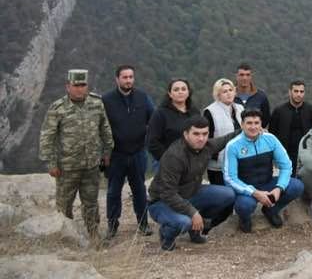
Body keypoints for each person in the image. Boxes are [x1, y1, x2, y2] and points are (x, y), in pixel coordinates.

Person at [39, 69, 114, 239]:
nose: (80, 89)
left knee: (91, 203)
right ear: (68, 86)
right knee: (64, 205)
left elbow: (105, 129)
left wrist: (107, 152)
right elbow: (47, 136)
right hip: (67, 167)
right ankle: (65, 237)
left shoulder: (96, 104)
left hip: (91, 166)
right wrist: (51, 163)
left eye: (83, 85)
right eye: (76, 85)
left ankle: (94, 235)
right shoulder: (58, 108)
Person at [147, 117, 237, 251]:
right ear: (186, 134)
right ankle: (166, 236)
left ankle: (195, 229)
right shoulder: (175, 156)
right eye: (196, 134)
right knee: (184, 221)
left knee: (228, 195)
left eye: (205, 134)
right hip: (162, 202)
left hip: (190, 193)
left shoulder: (207, 146)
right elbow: (168, 193)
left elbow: (226, 139)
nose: (201, 138)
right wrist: (193, 213)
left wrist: (250, 129)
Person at [223, 109, 305, 232]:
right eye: (249, 123)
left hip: (267, 182)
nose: (253, 127)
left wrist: (279, 188)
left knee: (297, 186)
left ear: (261, 124)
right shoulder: (233, 145)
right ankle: (244, 218)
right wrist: (254, 192)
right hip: (246, 188)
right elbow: (230, 178)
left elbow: (286, 166)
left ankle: (271, 210)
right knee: (244, 206)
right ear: (242, 125)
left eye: (256, 123)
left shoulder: (270, 139)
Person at [102, 64, 155, 238]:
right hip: (116, 154)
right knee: (113, 191)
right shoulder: (106, 100)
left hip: (138, 153)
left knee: (139, 189)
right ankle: (112, 225)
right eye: (124, 77)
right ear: (117, 79)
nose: (128, 80)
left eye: (131, 77)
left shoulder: (142, 98)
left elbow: (153, 120)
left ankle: (143, 224)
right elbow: (100, 127)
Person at [147, 78, 200, 164]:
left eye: (183, 89)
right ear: (170, 94)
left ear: (188, 92)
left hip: (191, 162)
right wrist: (168, 159)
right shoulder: (160, 114)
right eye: (176, 90)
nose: (180, 92)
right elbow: (152, 142)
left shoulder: (195, 113)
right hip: (167, 163)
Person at [202, 78, 244, 185]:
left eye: (230, 90)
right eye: (224, 91)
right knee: (222, 196)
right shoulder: (210, 112)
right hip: (218, 165)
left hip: (240, 160)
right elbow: (206, 139)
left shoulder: (240, 109)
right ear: (218, 95)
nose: (228, 93)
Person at [269, 80, 312, 169]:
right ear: (290, 92)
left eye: (301, 91)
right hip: (284, 155)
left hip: (306, 154)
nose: (299, 94)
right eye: (296, 91)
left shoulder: (311, 110)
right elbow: (272, 134)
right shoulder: (279, 111)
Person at [235, 63, 271, 128]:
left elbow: (265, 120)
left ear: (251, 76)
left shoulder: (261, 96)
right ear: (236, 76)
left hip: (254, 135)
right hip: (233, 136)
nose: (245, 78)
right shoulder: (229, 97)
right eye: (241, 75)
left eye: (248, 75)